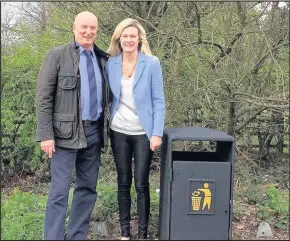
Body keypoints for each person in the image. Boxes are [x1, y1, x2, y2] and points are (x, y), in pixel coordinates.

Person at [35, 11, 110, 240]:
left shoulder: (102, 58)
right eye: (83, 27)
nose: (88, 32)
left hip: (94, 134)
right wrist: (46, 134)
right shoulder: (56, 55)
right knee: (59, 192)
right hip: (63, 136)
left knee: (87, 190)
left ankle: (77, 235)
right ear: (74, 28)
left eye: (92, 28)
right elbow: (43, 97)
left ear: (97, 30)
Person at [106, 18, 166, 240]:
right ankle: (124, 234)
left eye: (132, 36)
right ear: (118, 39)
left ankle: (142, 234)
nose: (129, 39)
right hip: (118, 130)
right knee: (123, 182)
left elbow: (159, 100)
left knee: (141, 184)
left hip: (143, 133)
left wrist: (157, 132)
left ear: (139, 39)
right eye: (125, 36)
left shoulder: (151, 63)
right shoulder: (111, 63)